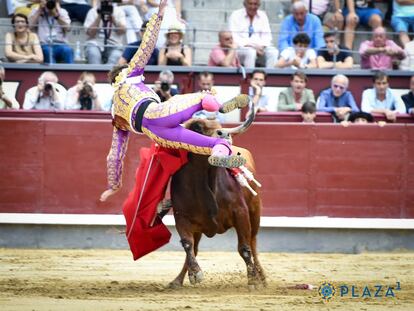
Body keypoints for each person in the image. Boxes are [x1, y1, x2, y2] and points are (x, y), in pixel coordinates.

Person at [100, 1, 253, 202]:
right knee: (203, 98)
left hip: (159, 135)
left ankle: (219, 151)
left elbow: (115, 154)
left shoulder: (116, 114)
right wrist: (159, 15)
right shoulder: (130, 75)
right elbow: (147, 46)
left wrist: (113, 186)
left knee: (209, 144)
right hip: (160, 113)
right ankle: (221, 108)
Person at [228, 0, 279, 68]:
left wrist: (262, 46)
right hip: (241, 47)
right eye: (250, 4)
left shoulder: (263, 15)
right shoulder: (235, 15)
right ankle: (249, 76)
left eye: (255, 4)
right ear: (245, 4)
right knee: (251, 52)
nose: (253, 7)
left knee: (273, 52)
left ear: (259, 5)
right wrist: (253, 47)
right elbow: (234, 37)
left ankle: (270, 76)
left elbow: (267, 37)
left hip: (260, 47)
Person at [84, 0, 126, 64]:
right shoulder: (92, 11)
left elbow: (123, 31)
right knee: (93, 54)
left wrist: (114, 19)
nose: (107, 4)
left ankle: (109, 74)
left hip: (115, 44)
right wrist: (99, 16)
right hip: (95, 43)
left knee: (115, 57)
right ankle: (97, 74)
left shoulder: (119, 11)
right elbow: (90, 34)